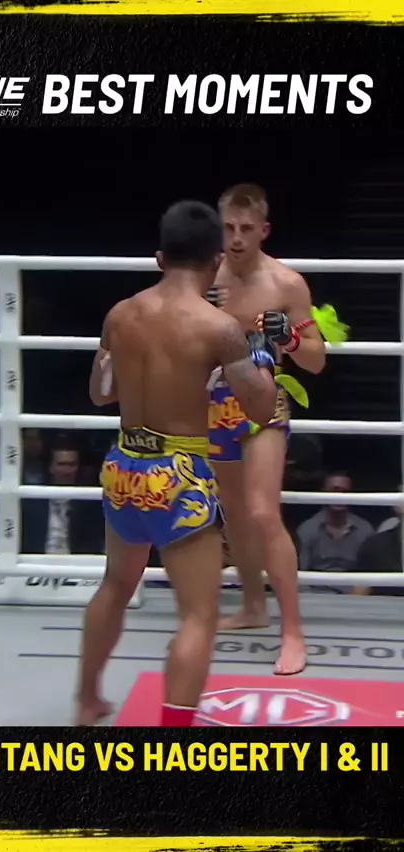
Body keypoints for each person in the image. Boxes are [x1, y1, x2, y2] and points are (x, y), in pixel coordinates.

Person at [74, 199, 278, 726]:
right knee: (199, 615)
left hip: (124, 466)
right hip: (179, 475)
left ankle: (86, 699)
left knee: (115, 585)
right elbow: (261, 408)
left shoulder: (121, 314)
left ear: (160, 258)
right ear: (216, 260)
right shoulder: (219, 328)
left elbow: (100, 392)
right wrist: (258, 347)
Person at [208, 183, 327, 676]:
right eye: (228, 228)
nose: (236, 238)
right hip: (213, 401)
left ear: (264, 230)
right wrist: (197, 309)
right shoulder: (204, 272)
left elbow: (316, 361)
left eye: (246, 229)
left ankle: (292, 632)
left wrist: (288, 337)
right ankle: (253, 607)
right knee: (234, 515)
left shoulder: (286, 283)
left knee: (262, 511)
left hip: (265, 401)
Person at [296, 472, 374, 594]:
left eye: (344, 492)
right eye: (334, 490)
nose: (339, 496)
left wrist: (359, 594)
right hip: (315, 592)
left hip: (353, 594)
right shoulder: (307, 529)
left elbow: (370, 575)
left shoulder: (365, 529)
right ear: (323, 493)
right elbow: (300, 575)